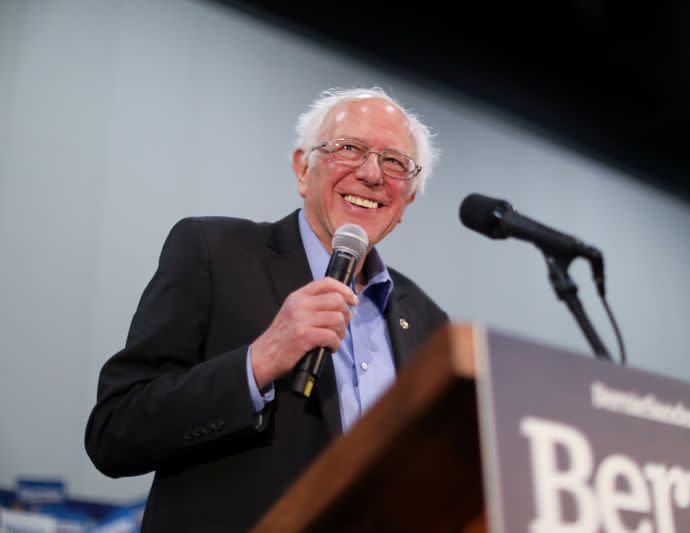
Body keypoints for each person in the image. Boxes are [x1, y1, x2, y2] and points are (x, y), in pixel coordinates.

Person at [84, 87, 448, 532]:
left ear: (406, 200)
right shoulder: (213, 253)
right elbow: (113, 433)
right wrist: (257, 363)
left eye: (395, 162)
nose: (373, 173)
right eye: (349, 148)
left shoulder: (430, 323)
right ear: (303, 168)